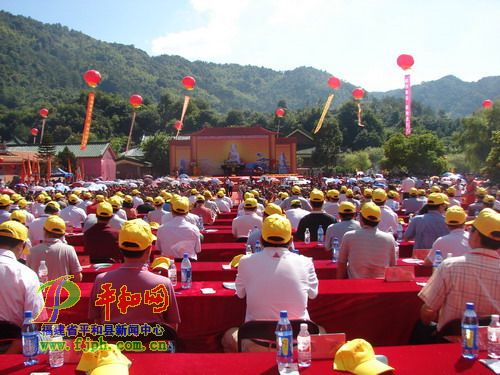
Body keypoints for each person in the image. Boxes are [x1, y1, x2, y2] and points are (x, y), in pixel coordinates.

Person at [222, 214, 318, 352]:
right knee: (321, 330)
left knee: (228, 336)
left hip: (256, 345)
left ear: (261, 239)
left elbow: (240, 294)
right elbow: (313, 294)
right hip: (297, 345)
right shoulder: (306, 262)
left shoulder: (245, 262)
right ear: (291, 240)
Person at [418, 208, 500, 334]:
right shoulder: (450, 266)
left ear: (476, 235)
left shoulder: (450, 266)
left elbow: (428, 310)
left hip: (451, 341)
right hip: (494, 342)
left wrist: (430, 325)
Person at [89, 219, 180, 328]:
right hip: (153, 344)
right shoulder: (164, 283)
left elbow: (97, 320)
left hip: (113, 344)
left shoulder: (101, 280)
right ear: (149, 249)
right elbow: (172, 326)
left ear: (120, 247)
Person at [0, 220, 47, 353]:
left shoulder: (26, 273)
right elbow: (35, 321)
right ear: (22, 245)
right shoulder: (26, 274)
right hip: (14, 345)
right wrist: (8, 357)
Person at [337, 202, 397, 279]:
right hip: (380, 286)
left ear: (361, 218)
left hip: (356, 286)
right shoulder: (389, 238)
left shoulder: (349, 236)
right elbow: (392, 265)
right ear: (378, 220)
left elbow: (342, 263)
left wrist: (340, 284)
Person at [27, 216, 82, 282]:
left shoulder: (32, 251)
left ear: (44, 230)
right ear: (63, 233)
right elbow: (77, 277)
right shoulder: (69, 249)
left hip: (39, 291)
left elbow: (27, 278)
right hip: (62, 291)